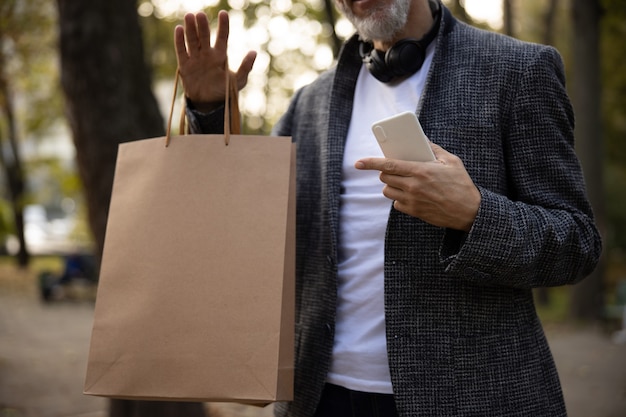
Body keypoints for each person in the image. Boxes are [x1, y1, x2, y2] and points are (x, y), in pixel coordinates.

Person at [174, 0, 602, 416]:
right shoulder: (309, 101)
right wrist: (211, 114)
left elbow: (577, 242)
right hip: (316, 396)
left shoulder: (519, 70)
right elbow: (246, 228)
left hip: (468, 396)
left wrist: (475, 214)